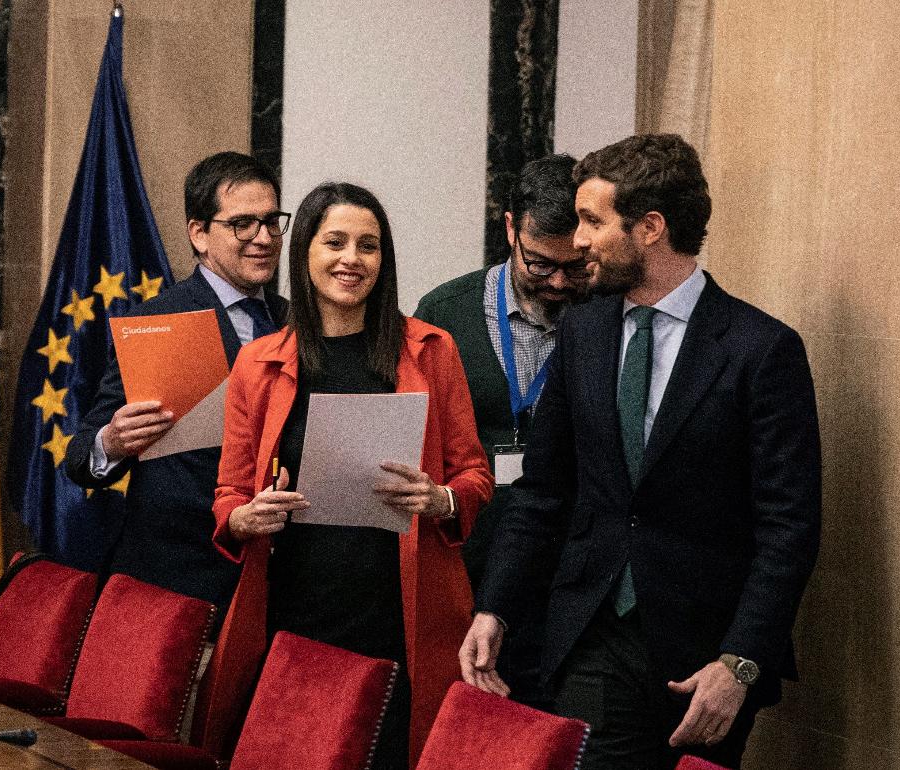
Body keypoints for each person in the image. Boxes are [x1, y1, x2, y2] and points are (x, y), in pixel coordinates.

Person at [459, 134, 821, 769]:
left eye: (594, 221)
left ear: (651, 228)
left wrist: (739, 662)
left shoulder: (760, 350)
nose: (577, 241)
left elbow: (788, 526)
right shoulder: (584, 330)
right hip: (594, 630)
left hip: (706, 656)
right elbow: (545, 490)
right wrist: (495, 607)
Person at [211, 182, 493, 769]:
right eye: (334, 242)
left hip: (398, 605)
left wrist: (441, 498)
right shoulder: (258, 362)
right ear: (304, 253)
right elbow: (229, 495)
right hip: (293, 601)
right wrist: (244, 515)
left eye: (369, 246)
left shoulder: (431, 350)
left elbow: (474, 473)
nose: (352, 259)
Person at [65, 151, 290, 607]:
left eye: (272, 221)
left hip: (279, 581)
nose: (263, 238)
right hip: (181, 577)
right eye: (243, 224)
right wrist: (113, 442)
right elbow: (80, 458)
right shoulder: (157, 321)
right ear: (199, 234)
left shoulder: (297, 322)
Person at [414, 153, 589, 710]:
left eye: (574, 266)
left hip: (567, 570)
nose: (559, 281)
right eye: (538, 265)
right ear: (510, 227)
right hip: (467, 559)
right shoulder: (445, 313)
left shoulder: (606, 316)